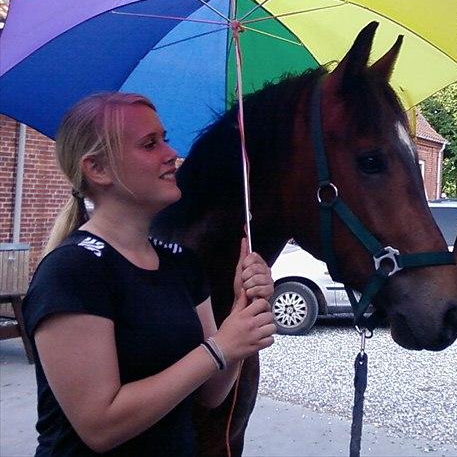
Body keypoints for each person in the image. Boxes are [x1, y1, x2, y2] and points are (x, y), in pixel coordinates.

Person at [22, 92, 276, 456]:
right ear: (98, 169)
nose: (171, 154)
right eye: (149, 144)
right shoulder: (72, 271)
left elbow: (212, 393)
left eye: (165, 138)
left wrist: (239, 320)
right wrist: (219, 347)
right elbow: (100, 425)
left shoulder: (182, 264)